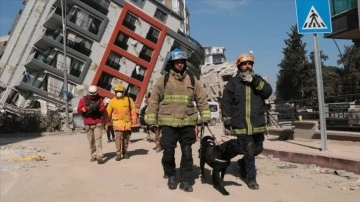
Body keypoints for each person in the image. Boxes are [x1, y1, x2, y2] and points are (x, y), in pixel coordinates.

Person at [146, 48, 211, 192]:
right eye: (177, 62)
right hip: (168, 123)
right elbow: (154, 100)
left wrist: (205, 116)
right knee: (168, 153)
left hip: (187, 123)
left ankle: (186, 181)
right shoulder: (164, 79)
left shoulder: (193, 79)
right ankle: (170, 175)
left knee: (187, 153)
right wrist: (151, 120)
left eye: (182, 62)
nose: (180, 64)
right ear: (172, 63)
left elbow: (201, 99)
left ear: (185, 63)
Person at [221, 52, 272, 190]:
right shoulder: (233, 83)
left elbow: (268, 92)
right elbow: (226, 102)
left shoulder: (258, 79)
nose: (247, 66)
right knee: (249, 149)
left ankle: (243, 163)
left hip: (257, 123)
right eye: (244, 64)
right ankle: (251, 178)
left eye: (249, 63)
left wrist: (254, 81)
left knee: (258, 148)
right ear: (239, 66)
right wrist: (227, 120)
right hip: (241, 124)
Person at [104, 83, 137, 161]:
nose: (118, 93)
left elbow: (133, 110)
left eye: (120, 91)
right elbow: (107, 113)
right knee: (118, 138)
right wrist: (105, 123)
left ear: (123, 92)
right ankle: (118, 154)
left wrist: (134, 120)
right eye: (116, 91)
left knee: (126, 139)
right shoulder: (112, 101)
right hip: (117, 123)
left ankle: (125, 152)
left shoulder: (129, 100)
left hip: (127, 123)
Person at [77, 85, 106, 164]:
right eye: (91, 93)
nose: (93, 95)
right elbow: (79, 109)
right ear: (88, 92)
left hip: (97, 122)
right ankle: (93, 155)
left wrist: (99, 108)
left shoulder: (99, 99)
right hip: (88, 123)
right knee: (91, 141)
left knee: (98, 139)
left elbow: (103, 108)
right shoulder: (83, 99)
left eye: (94, 93)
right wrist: (86, 108)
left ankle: (99, 155)